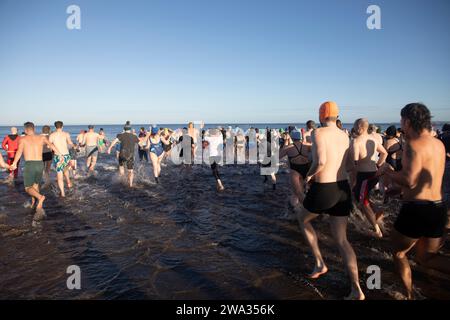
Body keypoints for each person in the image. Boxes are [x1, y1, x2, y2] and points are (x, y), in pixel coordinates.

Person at [377, 103, 450, 299]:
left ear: (408, 121)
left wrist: (388, 172)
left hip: (416, 210)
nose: (401, 124)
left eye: (402, 120)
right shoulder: (438, 144)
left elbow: (410, 180)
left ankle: (408, 296)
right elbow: (427, 178)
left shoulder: (413, 145)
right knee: (427, 257)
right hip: (438, 207)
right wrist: (398, 190)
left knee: (399, 254)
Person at [298, 101, 365, 300]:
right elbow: (352, 165)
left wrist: (308, 176)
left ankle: (320, 262)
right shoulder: (345, 135)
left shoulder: (317, 133)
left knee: (303, 219)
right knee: (342, 240)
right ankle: (357, 289)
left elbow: (320, 162)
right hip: (342, 188)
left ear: (320, 116)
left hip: (323, 188)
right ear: (336, 116)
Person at [11, 122, 59, 215]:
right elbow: (52, 146)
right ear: (34, 129)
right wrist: (59, 155)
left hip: (30, 164)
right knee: (36, 185)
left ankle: (40, 197)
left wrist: (14, 163)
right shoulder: (42, 137)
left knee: (28, 188)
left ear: (25, 130)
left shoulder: (23, 139)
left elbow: (19, 152)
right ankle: (34, 202)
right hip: (39, 164)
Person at [351, 118, 387, 238]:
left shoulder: (356, 142)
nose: (355, 129)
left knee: (363, 202)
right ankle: (377, 211)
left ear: (360, 127)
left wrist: (353, 181)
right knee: (359, 196)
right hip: (373, 174)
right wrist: (378, 165)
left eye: (355, 126)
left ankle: (377, 231)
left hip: (364, 176)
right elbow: (384, 153)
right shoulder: (374, 139)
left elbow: (355, 165)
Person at [279, 130, 310, 207]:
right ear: (300, 137)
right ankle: (301, 206)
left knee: (296, 192)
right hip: (306, 168)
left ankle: (303, 209)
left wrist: (286, 142)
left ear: (292, 138)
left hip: (294, 170)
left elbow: (278, 157)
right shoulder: (308, 145)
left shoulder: (288, 148)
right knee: (302, 190)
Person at [49, 121, 74, 198]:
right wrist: (75, 146)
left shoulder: (52, 135)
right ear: (62, 126)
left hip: (58, 157)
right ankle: (69, 182)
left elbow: (49, 146)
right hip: (66, 155)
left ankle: (62, 193)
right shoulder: (66, 134)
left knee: (59, 176)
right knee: (65, 169)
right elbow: (70, 143)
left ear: (55, 127)